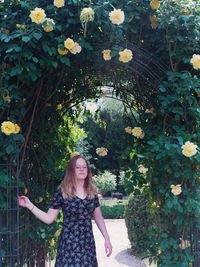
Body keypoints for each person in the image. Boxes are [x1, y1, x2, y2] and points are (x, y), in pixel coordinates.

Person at [18, 155, 112, 267]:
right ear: (72, 170)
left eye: (84, 167)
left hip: (87, 245)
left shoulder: (92, 192)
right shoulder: (62, 191)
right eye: (78, 167)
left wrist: (107, 238)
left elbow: (98, 217)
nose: (82, 169)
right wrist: (29, 205)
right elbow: (49, 218)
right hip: (68, 245)